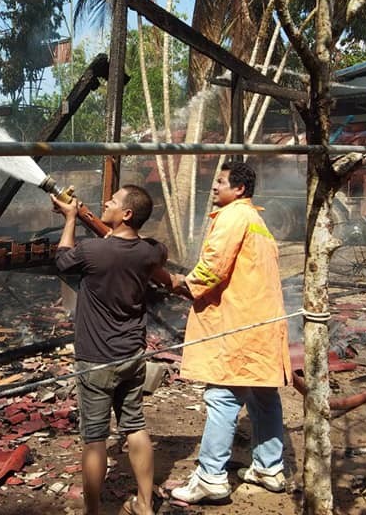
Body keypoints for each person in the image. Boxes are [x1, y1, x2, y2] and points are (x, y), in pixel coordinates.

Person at [168, 161, 292, 504]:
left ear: (239, 189)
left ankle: (210, 477)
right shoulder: (256, 219)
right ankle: (269, 467)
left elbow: (213, 267)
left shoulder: (233, 216)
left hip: (239, 324)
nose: (214, 187)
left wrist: (183, 284)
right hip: (261, 323)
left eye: (220, 182)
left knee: (222, 397)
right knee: (263, 396)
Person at [52, 185, 168, 515]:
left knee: (95, 439)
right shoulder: (150, 252)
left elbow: (62, 260)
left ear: (126, 214)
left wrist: (71, 218)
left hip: (95, 360)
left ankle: (93, 512)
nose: (106, 202)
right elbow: (158, 252)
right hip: (132, 355)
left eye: (113, 201)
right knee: (135, 427)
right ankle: (144, 504)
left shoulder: (92, 252)